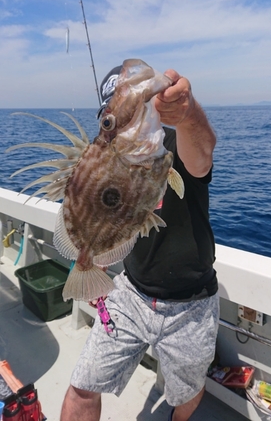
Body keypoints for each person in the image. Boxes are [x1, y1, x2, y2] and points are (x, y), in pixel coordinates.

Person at [60, 64, 219, 421]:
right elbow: (96, 210)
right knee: (82, 386)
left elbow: (204, 153)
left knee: (187, 393)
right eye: (111, 122)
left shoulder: (179, 142)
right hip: (129, 294)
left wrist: (189, 113)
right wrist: (91, 259)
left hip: (192, 304)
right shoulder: (100, 163)